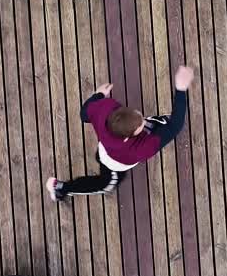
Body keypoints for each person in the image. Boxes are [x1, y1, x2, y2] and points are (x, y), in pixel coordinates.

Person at [46, 65, 195, 201]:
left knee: (155, 126)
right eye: (140, 125)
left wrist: (98, 95)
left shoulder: (105, 108)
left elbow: (84, 114)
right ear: (126, 138)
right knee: (105, 185)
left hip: (107, 148)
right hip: (113, 165)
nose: (143, 121)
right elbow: (175, 126)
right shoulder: (140, 150)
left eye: (139, 116)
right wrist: (181, 89)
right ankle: (61, 189)